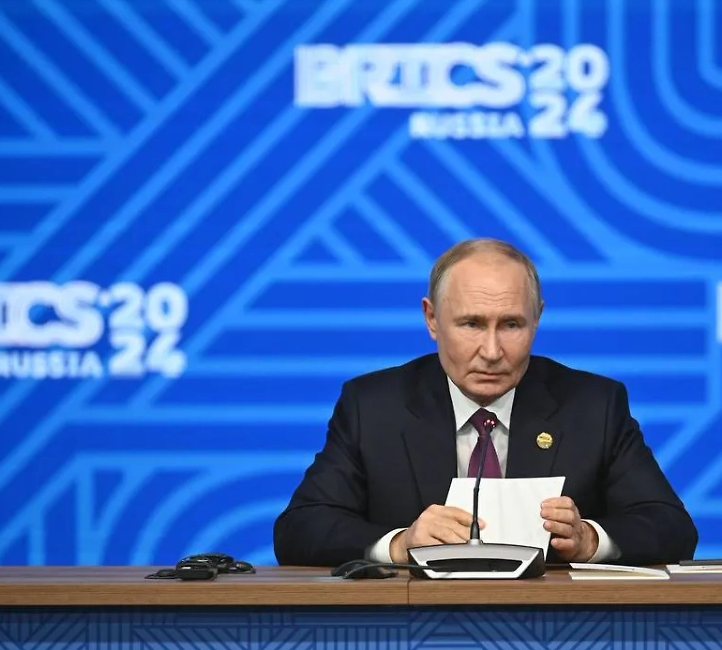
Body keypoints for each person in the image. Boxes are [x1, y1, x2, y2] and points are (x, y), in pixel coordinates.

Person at [273, 238, 698, 567]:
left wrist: (590, 540)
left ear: (538, 318)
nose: (492, 351)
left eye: (511, 324)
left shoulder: (593, 406)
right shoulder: (373, 407)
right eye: (471, 324)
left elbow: (671, 528)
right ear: (432, 319)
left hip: (554, 630)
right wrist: (400, 544)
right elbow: (300, 529)